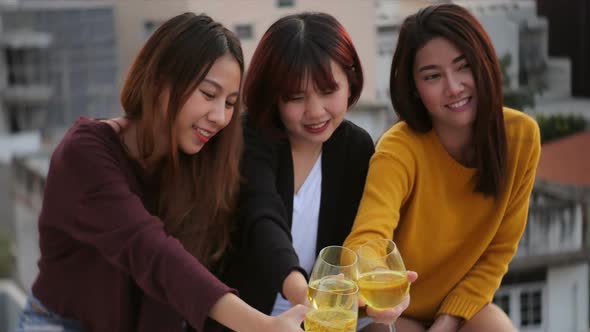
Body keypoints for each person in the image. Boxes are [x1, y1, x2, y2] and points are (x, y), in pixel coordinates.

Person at [16, 12, 308, 332]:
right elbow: (154, 254)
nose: (220, 116)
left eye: (229, 103)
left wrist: (300, 289)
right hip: (62, 325)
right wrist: (262, 327)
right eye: (209, 95)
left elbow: (259, 214)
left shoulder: (201, 160)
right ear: (160, 82)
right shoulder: (84, 153)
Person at [344, 4, 541, 332]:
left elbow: (497, 253)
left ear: (485, 64)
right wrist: (380, 286)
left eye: (463, 67)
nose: (454, 87)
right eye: (433, 76)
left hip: (462, 308)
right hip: (395, 312)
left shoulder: (521, 137)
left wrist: (447, 322)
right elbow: (368, 237)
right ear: (414, 88)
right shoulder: (399, 147)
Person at [220, 12, 416, 331]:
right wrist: (312, 298)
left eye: (328, 91)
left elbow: (359, 243)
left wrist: (374, 298)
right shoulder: (247, 138)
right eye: (296, 97)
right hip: (250, 320)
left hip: (322, 320)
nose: (315, 111)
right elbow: (262, 218)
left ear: (350, 83)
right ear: (273, 96)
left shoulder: (354, 148)